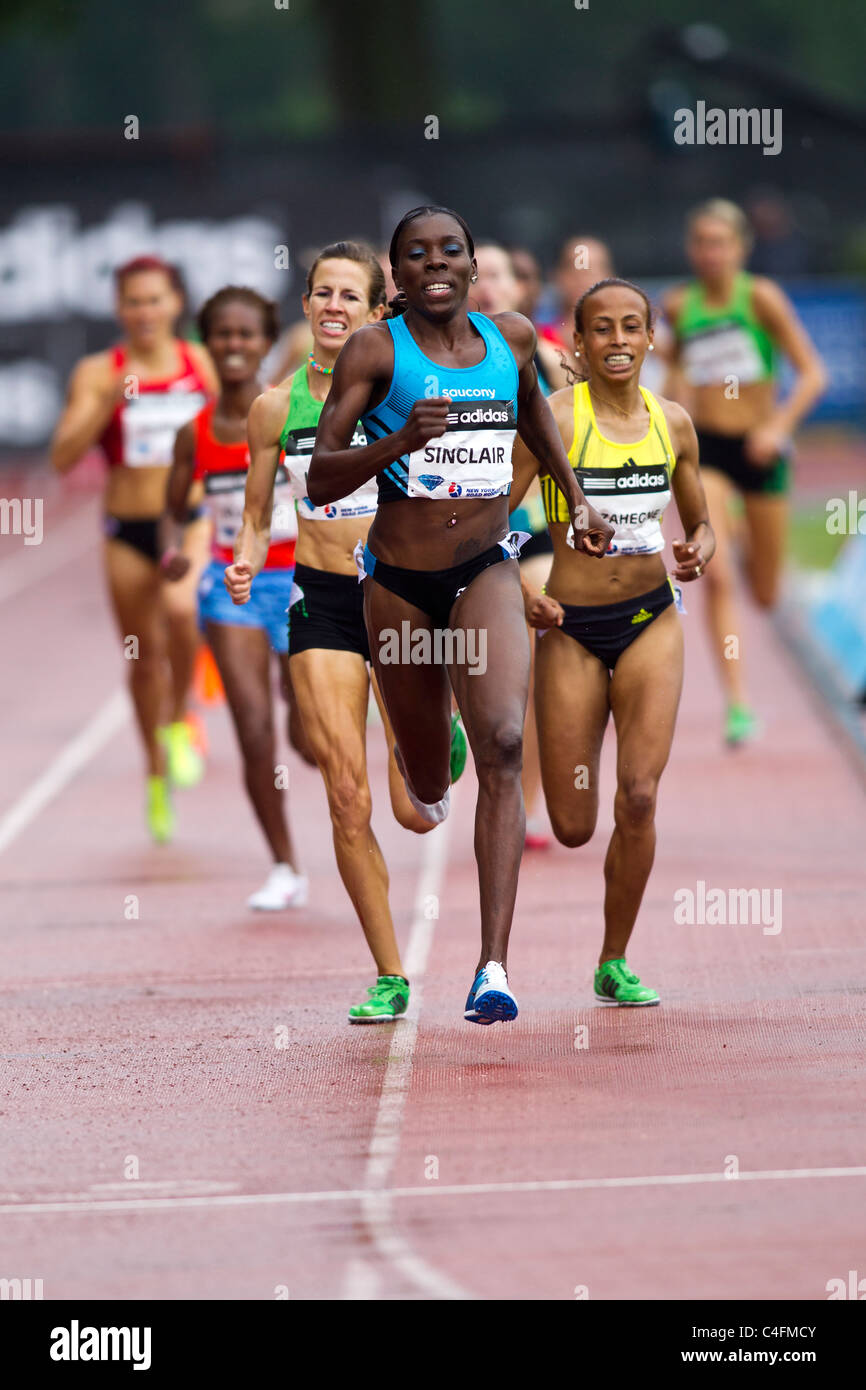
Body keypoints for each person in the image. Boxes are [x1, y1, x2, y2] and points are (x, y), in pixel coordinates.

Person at [305, 206, 613, 1025]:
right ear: (396, 277)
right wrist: (397, 441)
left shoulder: (508, 340)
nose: (434, 263)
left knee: (506, 745)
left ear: (473, 264)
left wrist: (575, 499)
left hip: (485, 571)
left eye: (450, 250)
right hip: (401, 586)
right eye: (416, 254)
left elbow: (538, 416)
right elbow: (321, 479)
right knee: (431, 786)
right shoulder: (377, 350)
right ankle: (425, 744)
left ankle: (493, 967)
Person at [226, 241, 437, 1023]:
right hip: (321, 601)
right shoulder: (276, 408)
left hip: (403, 596)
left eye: (351, 295)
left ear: (378, 310)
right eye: (322, 293)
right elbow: (255, 518)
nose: (333, 306)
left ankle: (435, 732)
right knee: (345, 797)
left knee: (417, 809)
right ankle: (389, 973)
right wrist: (247, 562)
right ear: (307, 303)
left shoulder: (402, 389)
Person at [511, 277, 715, 1005]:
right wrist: (522, 591)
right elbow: (492, 527)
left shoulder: (676, 424)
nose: (619, 341)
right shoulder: (556, 421)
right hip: (570, 628)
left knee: (639, 796)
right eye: (603, 329)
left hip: (651, 619)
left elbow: (699, 523)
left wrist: (699, 548)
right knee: (571, 826)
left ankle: (614, 958)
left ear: (652, 337)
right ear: (580, 341)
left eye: (633, 327)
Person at [51, 255, 218, 842]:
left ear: (176, 303)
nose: (145, 312)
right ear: (120, 309)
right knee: (142, 659)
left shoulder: (200, 363)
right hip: (127, 527)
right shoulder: (100, 371)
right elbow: (62, 456)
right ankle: (154, 771)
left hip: (190, 518)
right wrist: (106, 404)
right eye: (133, 302)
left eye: (155, 299)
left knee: (180, 611)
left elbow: (238, 428)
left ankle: (179, 721)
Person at [164, 286, 307, 910]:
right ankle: (284, 866)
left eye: (247, 334)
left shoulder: (290, 413)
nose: (234, 345)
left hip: (305, 581)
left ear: (266, 341)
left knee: (308, 736)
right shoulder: (194, 433)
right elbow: (172, 510)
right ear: (208, 342)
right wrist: (175, 544)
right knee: (253, 730)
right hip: (235, 587)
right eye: (222, 334)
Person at [663, 199, 827, 744]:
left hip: (760, 453)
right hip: (706, 450)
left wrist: (777, 428)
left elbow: (812, 374)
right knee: (719, 574)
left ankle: (743, 527)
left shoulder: (760, 298)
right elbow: (678, 370)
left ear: (740, 248)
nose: (709, 254)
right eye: (701, 243)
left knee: (763, 592)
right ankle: (738, 704)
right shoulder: (680, 304)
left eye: (720, 243)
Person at [474, 242, 564, 849]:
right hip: (445, 529)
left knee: (540, 647)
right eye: (474, 276)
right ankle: (452, 718)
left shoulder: (548, 358)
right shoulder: (426, 352)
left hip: (525, 525)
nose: (484, 286)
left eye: (497, 276)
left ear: (519, 290)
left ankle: (524, 803)